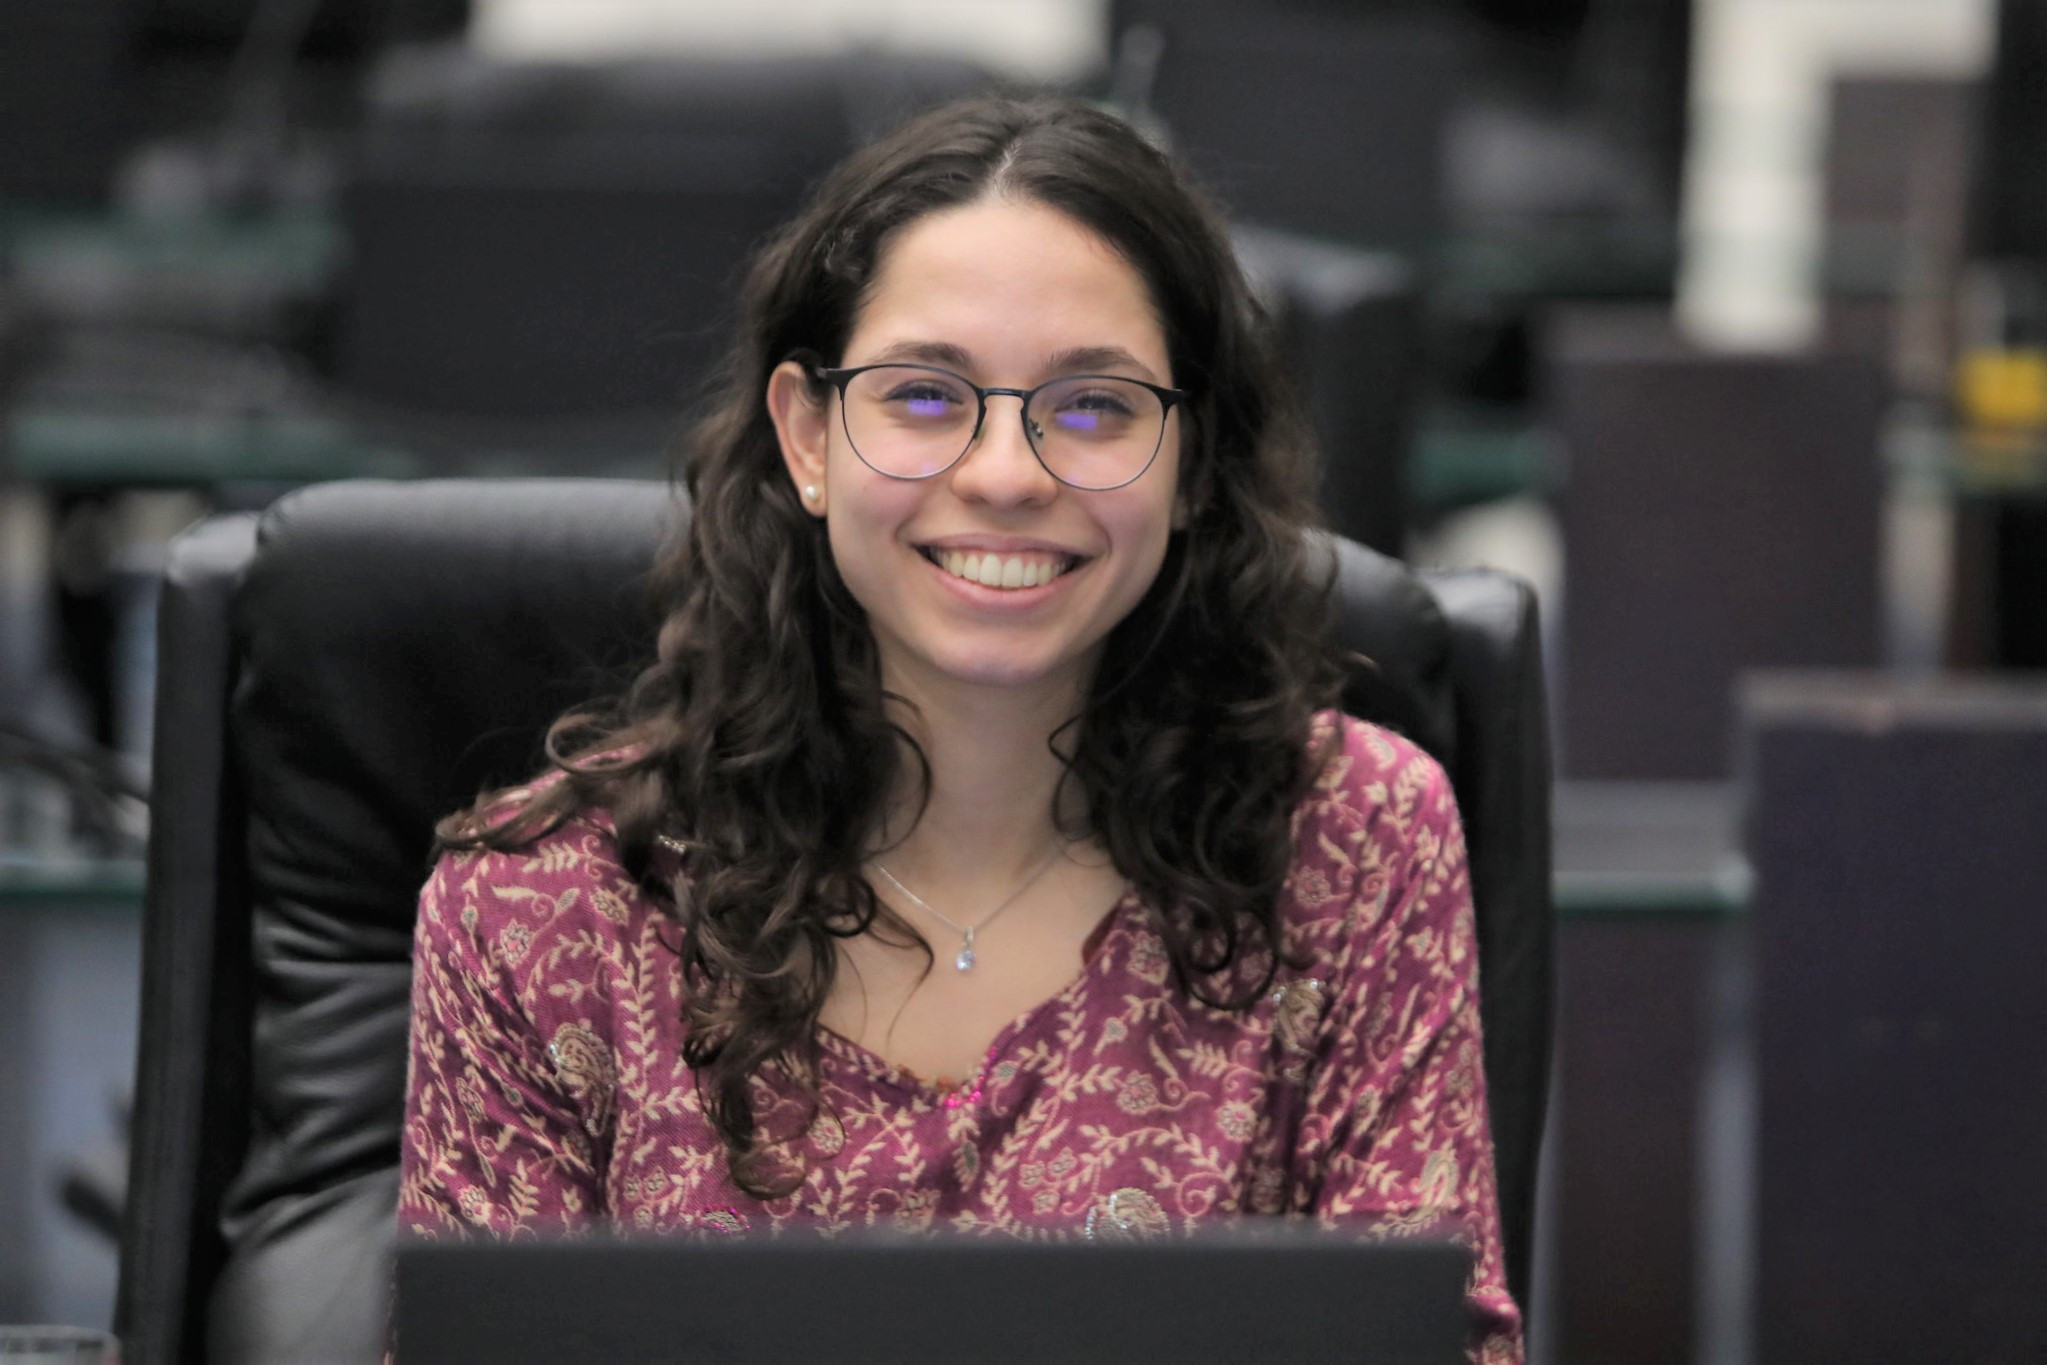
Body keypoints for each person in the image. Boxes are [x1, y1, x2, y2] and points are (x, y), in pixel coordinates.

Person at [398, 94, 1521, 1361]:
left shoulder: (1353, 840)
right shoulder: (545, 909)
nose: (1005, 474)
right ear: (808, 438)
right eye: (926, 397)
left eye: (1094, 407)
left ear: (1193, 462)